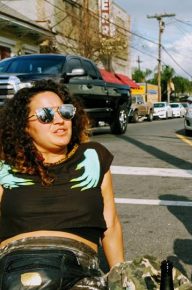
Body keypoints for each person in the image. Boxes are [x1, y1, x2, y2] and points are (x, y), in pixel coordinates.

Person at [0, 79, 124, 289]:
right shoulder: (5, 166)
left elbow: (110, 225)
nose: (59, 120)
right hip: (15, 268)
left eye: (65, 112)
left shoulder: (92, 157)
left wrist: (121, 277)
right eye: (45, 115)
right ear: (24, 126)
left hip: (78, 267)